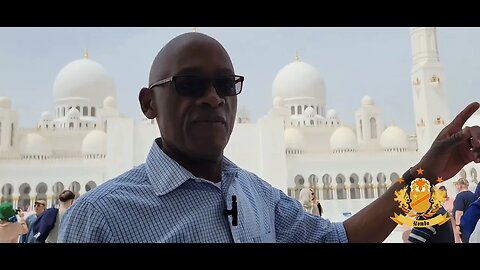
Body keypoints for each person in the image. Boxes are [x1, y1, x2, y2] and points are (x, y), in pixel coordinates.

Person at [58, 32, 480, 243]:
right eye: (190, 84)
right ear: (149, 103)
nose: (212, 98)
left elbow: (342, 238)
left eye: (226, 84)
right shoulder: (102, 219)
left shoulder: (256, 195)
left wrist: (426, 172)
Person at [452, 178, 476, 242]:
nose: (456, 187)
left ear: (460, 185)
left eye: (457, 185)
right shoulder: (473, 195)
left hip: (464, 226)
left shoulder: (460, 196)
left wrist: (457, 226)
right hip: (473, 225)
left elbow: (459, 212)